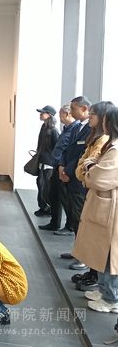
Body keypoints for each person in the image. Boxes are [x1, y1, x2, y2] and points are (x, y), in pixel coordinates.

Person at [72, 107, 118, 312]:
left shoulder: (115, 150)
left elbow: (97, 177)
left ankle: (111, 298)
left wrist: (89, 166)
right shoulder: (110, 145)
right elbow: (90, 163)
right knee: (101, 251)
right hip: (103, 205)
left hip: (110, 209)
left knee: (109, 254)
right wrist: (91, 165)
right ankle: (103, 290)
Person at [58, 96, 91, 270]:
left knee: (80, 219)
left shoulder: (92, 130)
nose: (70, 111)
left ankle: (83, 257)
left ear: (84, 108)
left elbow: (83, 156)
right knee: (73, 216)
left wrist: (67, 171)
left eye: (73, 108)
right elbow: (67, 150)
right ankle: (77, 251)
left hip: (78, 181)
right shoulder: (77, 127)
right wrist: (61, 166)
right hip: (70, 176)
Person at [39, 105, 77, 233]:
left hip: (63, 169)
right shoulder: (66, 129)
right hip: (56, 167)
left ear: (67, 114)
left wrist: (64, 167)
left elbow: (69, 151)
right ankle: (54, 223)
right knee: (53, 195)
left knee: (65, 199)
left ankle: (70, 226)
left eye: (60, 114)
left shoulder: (74, 129)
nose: (59, 117)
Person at [33, 105, 60, 217]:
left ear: (49, 115)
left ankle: (47, 209)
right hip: (42, 161)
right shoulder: (43, 128)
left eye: (43, 112)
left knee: (46, 187)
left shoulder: (53, 131)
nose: (40, 114)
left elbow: (57, 148)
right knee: (40, 184)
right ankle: (42, 207)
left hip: (49, 164)